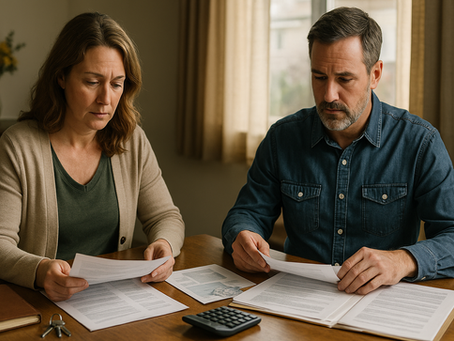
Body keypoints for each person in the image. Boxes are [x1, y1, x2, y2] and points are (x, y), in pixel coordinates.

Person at [222, 7, 454, 295]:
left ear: (375, 74)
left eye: (344, 79)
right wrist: (242, 235)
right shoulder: (282, 138)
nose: (329, 95)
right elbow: (246, 213)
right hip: (296, 300)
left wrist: (402, 260)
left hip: (381, 304)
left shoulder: (420, 142)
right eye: (319, 77)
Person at [0, 12, 185, 301]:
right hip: (43, 303)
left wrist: (165, 244)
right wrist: (39, 270)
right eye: (92, 81)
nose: (106, 99)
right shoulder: (18, 146)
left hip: (114, 299)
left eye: (116, 84)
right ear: (61, 77)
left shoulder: (131, 139)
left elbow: (166, 216)